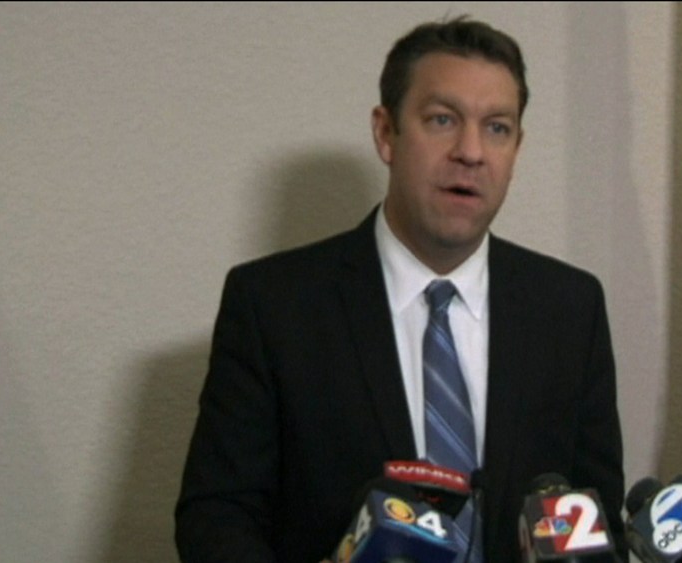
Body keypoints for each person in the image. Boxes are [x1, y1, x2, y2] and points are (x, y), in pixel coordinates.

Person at [175, 15, 625, 563]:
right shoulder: (273, 305)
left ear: (517, 148)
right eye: (442, 120)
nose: (471, 151)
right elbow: (217, 518)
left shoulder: (570, 309)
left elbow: (600, 520)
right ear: (386, 133)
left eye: (497, 128)